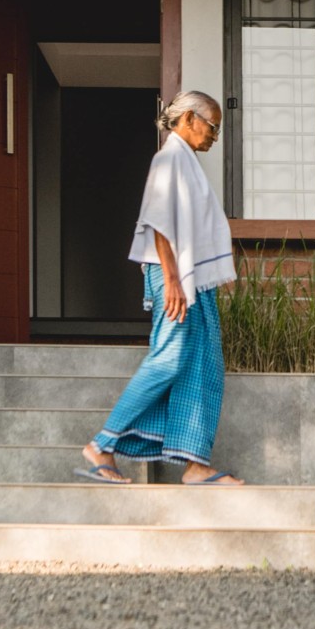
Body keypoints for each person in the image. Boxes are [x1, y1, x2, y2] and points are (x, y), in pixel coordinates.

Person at [77, 90, 243, 487]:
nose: (215, 136)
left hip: (190, 279)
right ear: (189, 119)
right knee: (170, 358)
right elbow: (157, 221)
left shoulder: (185, 163)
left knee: (203, 362)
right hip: (173, 276)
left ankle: (195, 463)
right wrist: (171, 280)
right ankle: (102, 445)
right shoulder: (169, 159)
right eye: (213, 126)